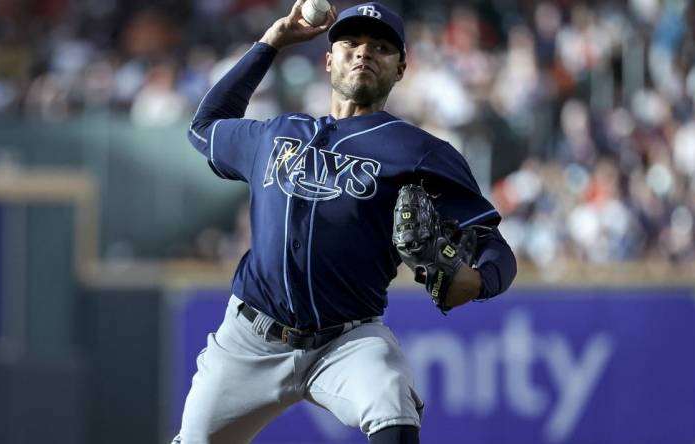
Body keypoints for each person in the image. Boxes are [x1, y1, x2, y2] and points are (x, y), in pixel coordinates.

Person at [173, 2, 517, 443]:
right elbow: (205, 126)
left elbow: (494, 247)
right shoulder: (275, 134)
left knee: (391, 399)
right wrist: (271, 42)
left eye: (381, 47)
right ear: (328, 59)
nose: (363, 53)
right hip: (249, 339)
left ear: (401, 69)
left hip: (348, 341)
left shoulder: (420, 151)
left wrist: (478, 280)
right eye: (351, 43)